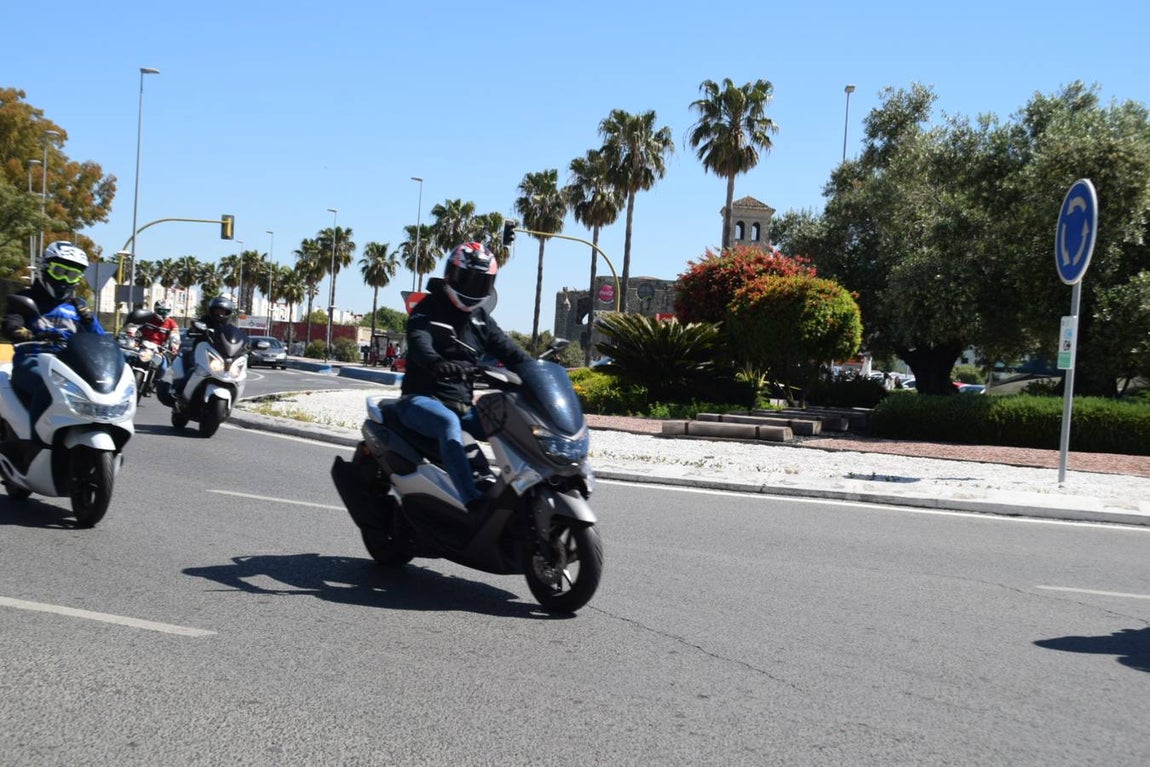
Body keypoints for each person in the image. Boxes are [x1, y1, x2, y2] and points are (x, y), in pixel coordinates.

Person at [397, 242, 530, 514]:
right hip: (420, 400)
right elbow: (420, 340)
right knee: (448, 423)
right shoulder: (429, 307)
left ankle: (523, 490)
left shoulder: (480, 319)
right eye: (467, 280)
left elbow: (510, 351)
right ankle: (473, 503)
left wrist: (535, 369)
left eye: (481, 282)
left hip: (464, 408)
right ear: (451, 275)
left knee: (511, 422)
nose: (472, 288)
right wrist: (436, 363)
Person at [1, 241, 104, 433]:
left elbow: (99, 339)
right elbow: (10, 326)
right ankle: (37, 438)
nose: (65, 279)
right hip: (32, 362)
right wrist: (31, 334)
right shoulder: (25, 298)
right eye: (59, 271)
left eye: (72, 275)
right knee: (49, 386)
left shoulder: (78, 306)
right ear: (45, 268)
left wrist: (89, 320)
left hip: (71, 366)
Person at [171, 296, 234, 397]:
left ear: (228, 313)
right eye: (217, 310)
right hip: (202, 353)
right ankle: (179, 391)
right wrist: (194, 330)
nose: (220, 314)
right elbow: (192, 330)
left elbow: (235, 339)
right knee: (193, 369)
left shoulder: (229, 328)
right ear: (212, 310)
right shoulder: (205, 321)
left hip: (220, 357)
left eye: (223, 311)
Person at [137, 299, 181, 394]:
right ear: (155, 310)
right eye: (161, 310)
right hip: (143, 345)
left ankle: (153, 384)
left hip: (159, 349)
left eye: (166, 311)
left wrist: (174, 347)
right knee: (128, 357)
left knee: (164, 367)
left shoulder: (172, 324)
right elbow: (136, 324)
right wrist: (132, 332)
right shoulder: (147, 318)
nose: (163, 313)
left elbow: (175, 336)